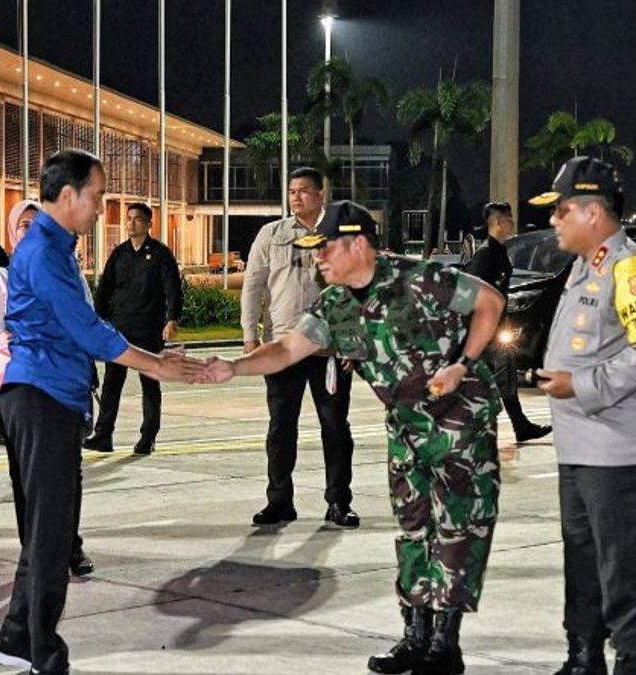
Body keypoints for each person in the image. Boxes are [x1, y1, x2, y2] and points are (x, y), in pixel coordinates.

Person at [206, 200, 504, 675]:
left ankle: (445, 647)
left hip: (460, 425)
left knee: (458, 533)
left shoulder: (421, 278)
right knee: (412, 532)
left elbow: (489, 301)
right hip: (406, 430)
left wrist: (462, 363)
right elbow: (286, 348)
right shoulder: (335, 303)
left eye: (325, 248)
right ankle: (415, 636)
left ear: (358, 244)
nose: (317, 258)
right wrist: (235, 366)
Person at [0, 149, 207, 675]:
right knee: (52, 532)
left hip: (51, 396)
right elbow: (89, 331)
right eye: (98, 195)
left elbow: (83, 326)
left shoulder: (56, 249)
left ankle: (15, 639)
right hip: (39, 398)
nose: (103, 207)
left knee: (47, 527)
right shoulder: (42, 252)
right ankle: (44, 653)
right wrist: (156, 365)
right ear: (68, 195)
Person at [529, 157, 636, 675]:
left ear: (592, 212)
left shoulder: (629, 266)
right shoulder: (584, 266)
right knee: (584, 561)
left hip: (622, 450)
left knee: (626, 566)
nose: (553, 221)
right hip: (579, 446)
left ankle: (631, 662)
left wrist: (581, 384)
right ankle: (583, 655)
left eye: (561, 210)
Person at [239, 167, 357, 527]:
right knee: (280, 427)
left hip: (329, 348)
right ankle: (279, 501)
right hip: (283, 347)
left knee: (335, 427)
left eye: (305, 190)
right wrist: (250, 336)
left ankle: (338, 502)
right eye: (292, 191)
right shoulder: (270, 234)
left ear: (321, 194)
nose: (296, 197)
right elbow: (253, 285)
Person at [0, 199, 94, 578]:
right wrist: (33, 345)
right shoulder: (1, 278)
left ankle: (69, 546)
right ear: (13, 235)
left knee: (69, 471)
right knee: (26, 472)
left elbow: (87, 323)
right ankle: (34, 550)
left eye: (38, 224)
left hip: (65, 385)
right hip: (24, 386)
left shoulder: (69, 275)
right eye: (24, 225)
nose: (31, 232)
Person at [84, 202, 183, 455]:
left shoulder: (160, 254)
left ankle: (147, 437)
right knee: (112, 383)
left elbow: (173, 289)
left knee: (149, 384)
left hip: (148, 330)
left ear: (149, 224)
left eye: (138, 219)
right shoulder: (119, 254)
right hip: (119, 330)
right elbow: (104, 289)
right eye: (129, 219)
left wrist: (172, 319)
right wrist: (99, 321)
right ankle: (103, 435)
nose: (131, 223)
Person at [463, 201, 552, 443]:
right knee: (481, 383)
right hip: (483, 332)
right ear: (498, 222)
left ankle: (521, 426)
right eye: (509, 218)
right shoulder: (484, 256)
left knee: (506, 376)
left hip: (496, 329)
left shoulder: (499, 251)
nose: (513, 222)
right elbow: (468, 295)